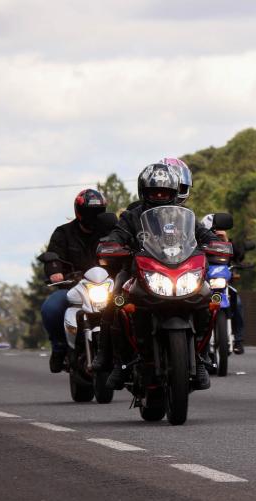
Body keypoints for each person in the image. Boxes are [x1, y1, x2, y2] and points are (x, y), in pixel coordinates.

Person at [96, 160, 219, 390]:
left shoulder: (185, 216)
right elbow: (117, 235)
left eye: (165, 191)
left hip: (179, 271)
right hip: (139, 271)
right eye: (155, 191)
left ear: (174, 192)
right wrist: (112, 244)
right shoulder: (132, 217)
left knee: (207, 297)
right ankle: (114, 362)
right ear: (144, 192)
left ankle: (200, 357)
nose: (160, 195)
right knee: (114, 298)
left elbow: (203, 235)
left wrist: (215, 243)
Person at [40, 189, 108, 373]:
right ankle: (59, 348)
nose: (94, 217)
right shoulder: (63, 233)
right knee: (51, 308)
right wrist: (55, 271)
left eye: (98, 212)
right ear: (79, 212)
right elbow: (53, 255)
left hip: (108, 286)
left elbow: (126, 249)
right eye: (89, 212)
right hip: (74, 287)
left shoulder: (111, 231)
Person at [200, 213, 246, 355]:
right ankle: (197, 339)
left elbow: (239, 255)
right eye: (212, 232)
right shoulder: (198, 244)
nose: (215, 235)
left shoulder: (227, 242)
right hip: (204, 283)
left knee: (236, 301)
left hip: (222, 283)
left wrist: (225, 240)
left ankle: (238, 340)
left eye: (217, 232)